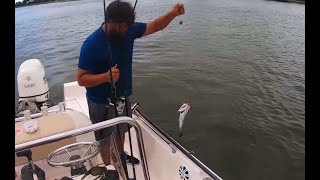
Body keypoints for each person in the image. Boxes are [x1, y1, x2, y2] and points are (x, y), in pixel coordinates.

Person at [76, 0, 185, 174]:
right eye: (124, 26)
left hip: (122, 96)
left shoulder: (128, 30)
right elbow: (81, 79)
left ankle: (119, 154)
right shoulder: (92, 44)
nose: (127, 29)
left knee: (122, 129)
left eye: (129, 26)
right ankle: (108, 169)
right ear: (111, 22)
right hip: (101, 101)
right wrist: (106, 77)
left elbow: (156, 25)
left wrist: (173, 13)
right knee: (104, 139)